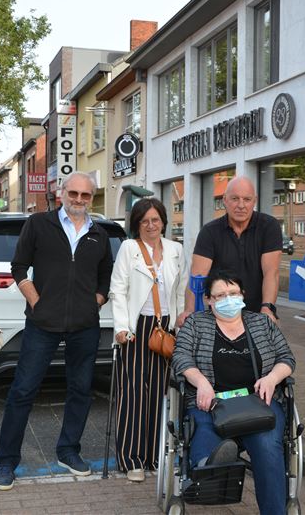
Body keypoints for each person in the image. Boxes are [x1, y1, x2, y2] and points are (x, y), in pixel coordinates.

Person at [0, 171, 113, 489]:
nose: (78, 200)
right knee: (22, 391)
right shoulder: (38, 225)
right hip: (41, 324)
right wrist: (36, 301)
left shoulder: (98, 234)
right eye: (73, 193)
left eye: (85, 195)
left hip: (84, 326)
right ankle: (6, 461)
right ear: (61, 193)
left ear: (91, 198)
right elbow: (19, 266)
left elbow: (105, 276)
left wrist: (95, 302)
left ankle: (68, 450)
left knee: (80, 390)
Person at [173, 269, 295, 515]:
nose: (228, 299)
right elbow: (180, 356)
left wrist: (272, 379)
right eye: (220, 296)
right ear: (208, 299)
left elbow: (287, 358)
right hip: (213, 401)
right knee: (204, 426)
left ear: (243, 295)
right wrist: (201, 382)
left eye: (233, 293)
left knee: (266, 445)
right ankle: (209, 466)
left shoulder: (261, 323)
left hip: (258, 402)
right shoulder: (196, 324)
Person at [109, 198, 187, 482]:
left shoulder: (176, 250)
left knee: (161, 393)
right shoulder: (129, 249)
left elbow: (180, 289)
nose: (151, 225)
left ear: (164, 221)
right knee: (133, 394)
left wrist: (180, 320)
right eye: (145, 221)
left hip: (166, 329)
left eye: (156, 220)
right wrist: (121, 326)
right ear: (136, 225)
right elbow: (117, 290)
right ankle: (132, 459)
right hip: (136, 329)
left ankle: (156, 456)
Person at [177, 176, 282, 328]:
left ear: (255, 201)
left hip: (258, 315)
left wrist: (267, 308)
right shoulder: (209, 232)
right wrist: (189, 311)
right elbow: (197, 277)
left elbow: (271, 273)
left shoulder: (269, 227)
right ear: (225, 200)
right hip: (220, 315)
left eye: (247, 199)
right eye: (235, 198)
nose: (241, 205)